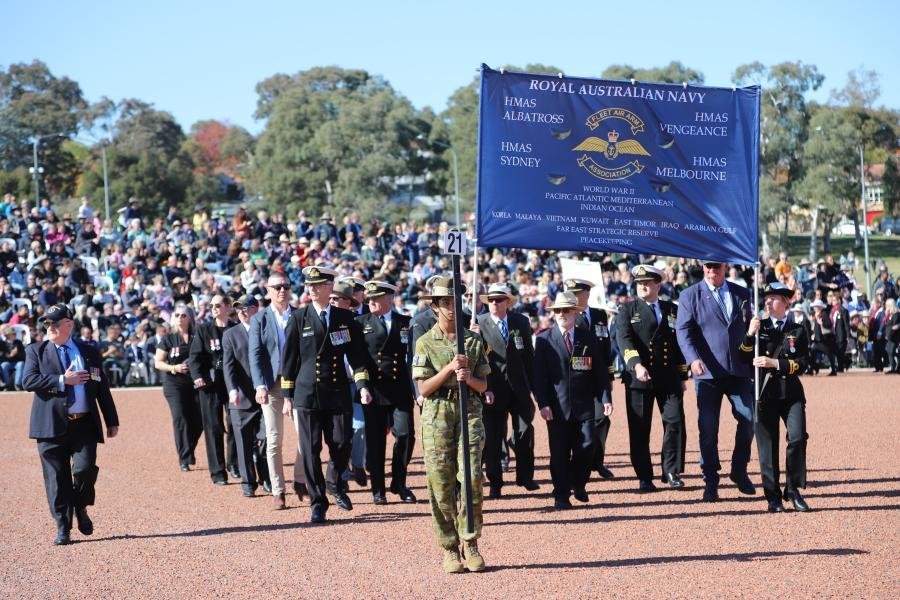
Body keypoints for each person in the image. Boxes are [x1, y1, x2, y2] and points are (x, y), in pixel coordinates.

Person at [281, 266, 373, 524]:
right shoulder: (299, 318)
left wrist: (363, 385)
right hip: (307, 393)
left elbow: (356, 357)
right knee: (310, 450)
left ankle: (334, 483)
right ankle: (318, 502)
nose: (311, 288)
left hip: (336, 391)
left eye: (317, 284)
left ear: (329, 287)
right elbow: (289, 359)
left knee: (342, 442)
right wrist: (287, 395)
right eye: (309, 285)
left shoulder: (345, 318)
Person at [412, 275, 491, 573]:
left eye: (454, 302)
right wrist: (448, 369)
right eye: (444, 302)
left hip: (468, 410)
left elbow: (483, 385)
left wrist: (468, 377)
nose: (450, 308)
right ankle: (449, 546)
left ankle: (470, 541)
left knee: (470, 476)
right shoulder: (424, 341)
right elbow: (422, 388)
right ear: (434, 306)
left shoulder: (472, 340)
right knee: (440, 482)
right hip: (437, 414)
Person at [23, 303, 119, 545]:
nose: (50, 328)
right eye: (47, 324)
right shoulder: (36, 350)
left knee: (84, 470)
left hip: (84, 424)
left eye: (55, 323)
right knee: (56, 480)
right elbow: (28, 380)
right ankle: (62, 527)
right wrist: (62, 380)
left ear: (69, 324)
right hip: (50, 425)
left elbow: (101, 385)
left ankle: (81, 506)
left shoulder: (89, 351)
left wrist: (111, 419)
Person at [675, 260, 756, 502]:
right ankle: (710, 479)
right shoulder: (690, 295)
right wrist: (692, 359)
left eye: (717, 267)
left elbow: (748, 327)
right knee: (708, 429)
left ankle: (739, 470)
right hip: (707, 372)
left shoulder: (742, 293)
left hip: (738, 371)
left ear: (725, 267)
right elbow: (683, 331)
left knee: (749, 419)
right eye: (708, 267)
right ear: (703, 268)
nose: (712, 271)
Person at [534, 291, 612, 510]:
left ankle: (578, 483)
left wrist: (605, 397)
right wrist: (543, 404)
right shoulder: (544, 339)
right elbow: (539, 377)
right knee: (559, 453)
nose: (561, 314)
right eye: (558, 311)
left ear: (575, 313)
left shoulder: (587, 337)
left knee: (587, 446)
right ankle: (561, 495)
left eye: (566, 310)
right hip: (557, 408)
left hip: (585, 405)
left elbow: (600, 371)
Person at [616, 265, 688, 491]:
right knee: (640, 428)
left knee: (675, 422)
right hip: (640, 377)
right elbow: (624, 340)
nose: (643, 286)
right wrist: (636, 365)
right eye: (639, 283)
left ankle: (671, 470)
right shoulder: (627, 309)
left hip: (668, 376)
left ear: (658, 284)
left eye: (647, 282)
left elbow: (679, 344)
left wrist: (683, 373)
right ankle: (644, 475)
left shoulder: (671, 309)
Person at [742, 283, 811, 513]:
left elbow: (802, 364)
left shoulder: (798, 329)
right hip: (765, 393)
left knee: (798, 437)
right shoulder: (759, 327)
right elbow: (743, 355)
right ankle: (773, 497)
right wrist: (750, 334)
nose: (768, 302)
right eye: (766, 298)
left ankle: (792, 489)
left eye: (774, 298)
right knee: (768, 446)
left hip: (791, 393)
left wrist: (775, 363)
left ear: (786, 302)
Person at [356, 280, 417, 505]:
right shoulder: (360, 322)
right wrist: (363, 387)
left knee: (405, 435)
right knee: (376, 442)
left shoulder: (406, 323)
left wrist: (417, 388)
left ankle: (399, 483)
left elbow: (413, 357)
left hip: (400, 388)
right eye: (368, 299)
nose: (371, 302)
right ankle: (378, 489)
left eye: (376, 298)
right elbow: (358, 360)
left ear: (389, 298)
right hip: (374, 390)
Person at [475, 282, 539, 497]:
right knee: (493, 438)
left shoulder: (520, 322)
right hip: (492, 389)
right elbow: (477, 361)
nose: (494, 303)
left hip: (519, 388)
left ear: (507, 302)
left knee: (524, 432)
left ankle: (525, 476)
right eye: (491, 300)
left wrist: (535, 389)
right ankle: (495, 483)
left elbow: (529, 357)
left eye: (499, 299)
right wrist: (486, 389)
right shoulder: (479, 324)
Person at [248, 273, 305, 509]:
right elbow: (256, 354)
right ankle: (278, 490)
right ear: (268, 290)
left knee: (305, 436)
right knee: (274, 439)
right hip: (271, 386)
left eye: (286, 286)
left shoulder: (300, 315)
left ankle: (301, 481)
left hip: (298, 384)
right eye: (277, 287)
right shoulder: (259, 319)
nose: (282, 290)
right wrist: (259, 385)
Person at [563, 278, 615, 479]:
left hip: (598, 376)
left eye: (578, 293)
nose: (575, 297)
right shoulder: (569, 314)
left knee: (602, 419)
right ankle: (576, 462)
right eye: (572, 293)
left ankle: (596, 461)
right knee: (575, 422)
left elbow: (606, 346)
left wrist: (609, 375)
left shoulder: (599, 314)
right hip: (577, 377)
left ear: (587, 294)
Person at [222, 294, 270, 497]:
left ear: (255, 309)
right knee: (242, 443)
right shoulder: (231, 335)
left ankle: (267, 477)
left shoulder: (268, 330)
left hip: (266, 395)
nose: (241, 312)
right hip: (241, 398)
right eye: (238, 309)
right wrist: (232, 390)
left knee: (267, 440)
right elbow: (228, 366)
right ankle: (248, 482)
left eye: (246, 308)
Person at [189, 294, 239, 485]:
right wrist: (198, 377)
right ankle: (218, 472)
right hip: (210, 385)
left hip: (233, 384)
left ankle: (234, 464)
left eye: (218, 305)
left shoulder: (236, 328)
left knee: (236, 424)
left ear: (228, 307)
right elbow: (194, 357)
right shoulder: (204, 330)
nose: (214, 309)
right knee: (214, 428)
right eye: (211, 306)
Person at [154, 304, 202, 471]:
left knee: (200, 419)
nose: (180, 318)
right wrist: (174, 368)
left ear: (190, 318)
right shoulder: (168, 339)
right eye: (177, 315)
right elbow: (158, 362)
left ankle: (188, 449)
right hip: (174, 383)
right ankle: (184, 457)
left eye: (183, 315)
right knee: (181, 418)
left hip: (196, 382)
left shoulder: (198, 336)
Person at [810, 299, 837, 376]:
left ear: (820, 307)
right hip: (819, 339)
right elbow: (816, 327)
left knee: (828, 353)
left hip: (825, 339)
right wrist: (814, 334)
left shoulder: (824, 314)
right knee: (814, 352)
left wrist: (822, 323)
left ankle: (815, 368)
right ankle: (814, 367)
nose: (815, 307)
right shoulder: (816, 314)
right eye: (815, 306)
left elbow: (829, 324)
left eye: (817, 306)